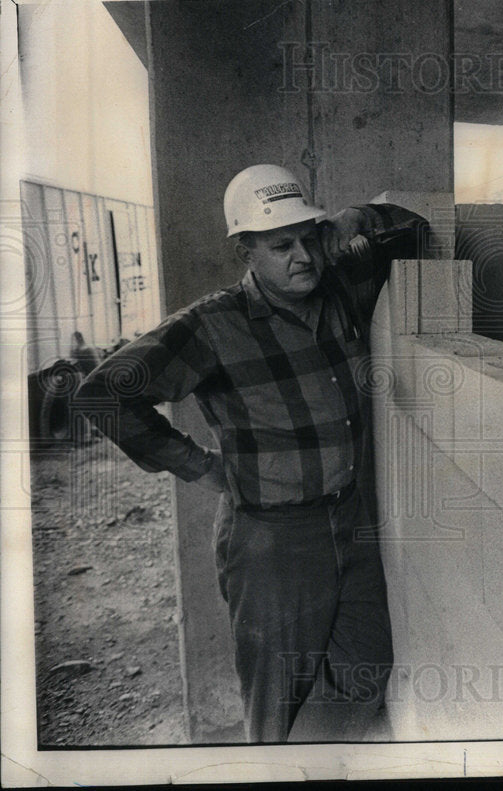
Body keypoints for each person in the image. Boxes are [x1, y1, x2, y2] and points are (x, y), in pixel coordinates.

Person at [77, 164, 426, 742]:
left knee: (366, 668)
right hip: (271, 542)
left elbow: (416, 232)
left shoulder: (339, 285)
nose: (303, 257)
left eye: (309, 238)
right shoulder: (212, 325)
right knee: (275, 701)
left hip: (349, 519)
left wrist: (357, 218)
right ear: (246, 251)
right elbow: (102, 394)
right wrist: (199, 465)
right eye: (281, 244)